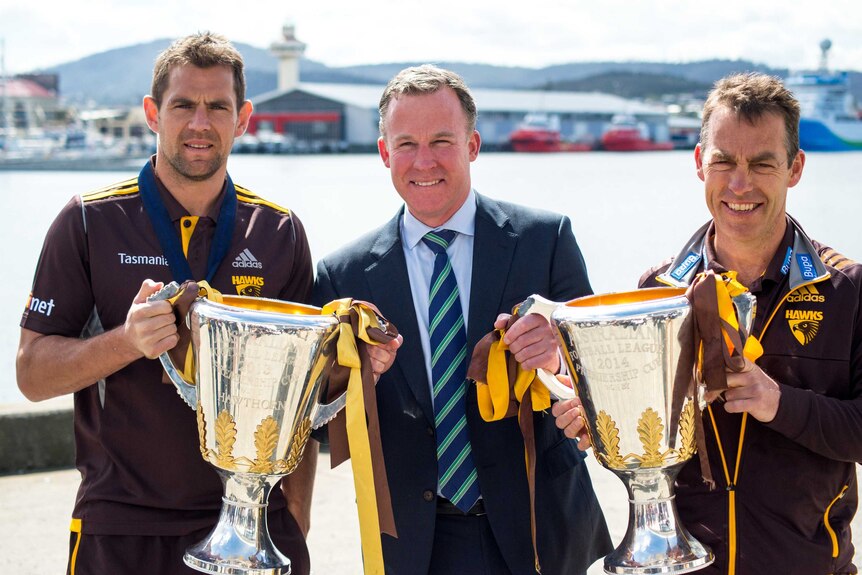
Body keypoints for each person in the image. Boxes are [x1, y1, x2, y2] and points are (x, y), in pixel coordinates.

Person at [16, 33, 316, 575]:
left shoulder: (279, 232)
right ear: (154, 112)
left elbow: (300, 397)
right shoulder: (88, 221)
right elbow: (32, 375)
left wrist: (295, 514)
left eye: (217, 107)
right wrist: (126, 343)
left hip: (253, 527)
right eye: (183, 105)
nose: (200, 123)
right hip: (122, 527)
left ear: (243, 117)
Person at [553, 72, 861, 575]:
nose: (740, 185)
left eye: (762, 164)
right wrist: (599, 415)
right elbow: (647, 432)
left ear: (795, 168)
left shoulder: (846, 288)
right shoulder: (657, 290)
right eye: (723, 162)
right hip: (685, 565)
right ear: (699, 163)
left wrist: (777, 402)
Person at [314, 64, 611, 575]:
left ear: (473, 145)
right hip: (410, 541)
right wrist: (355, 379)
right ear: (384, 152)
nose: (423, 160)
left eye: (442, 141)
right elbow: (318, 426)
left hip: (539, 530)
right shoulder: (342, 275)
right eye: (406, 143)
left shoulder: (545, 240)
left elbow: (606, 382)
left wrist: (559, 357)